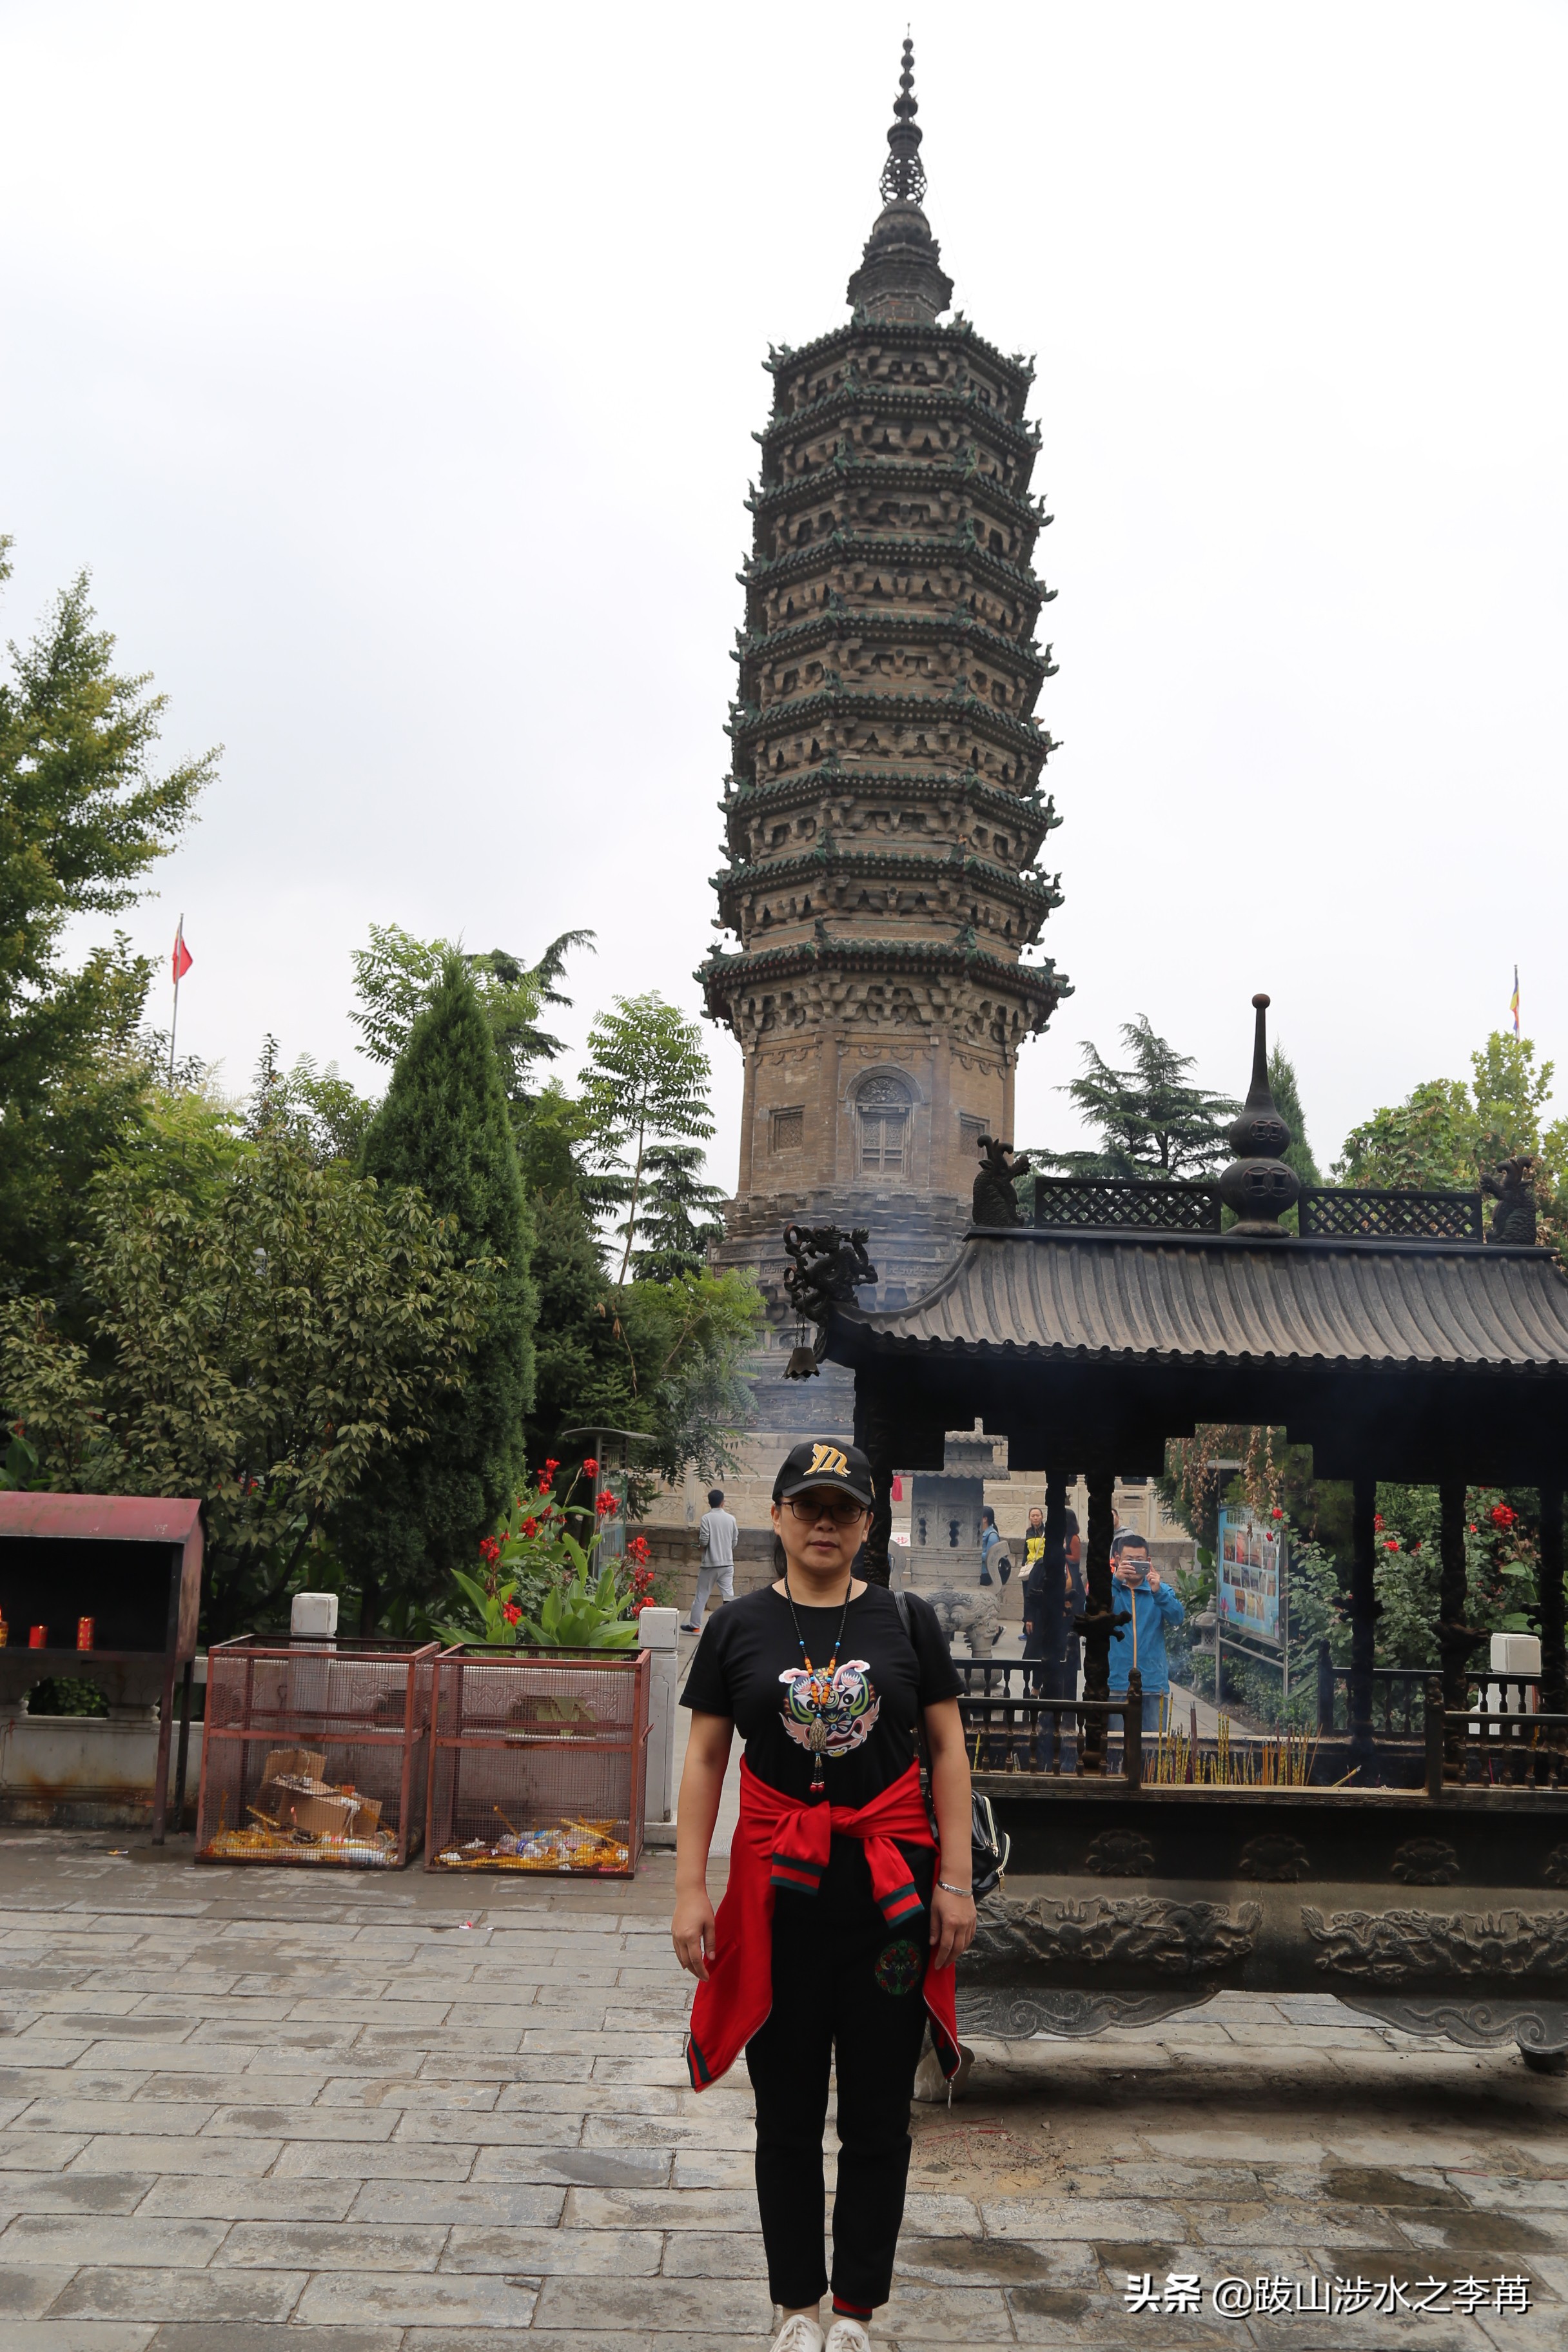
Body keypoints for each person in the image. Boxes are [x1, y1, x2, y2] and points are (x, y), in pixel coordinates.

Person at [673, 1438, 977, 2352]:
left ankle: (856, 2313)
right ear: (777, 1517)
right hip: (780, 1907)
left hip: (889, 1905)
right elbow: (703, 1760)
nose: (824, 1523)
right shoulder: (737, 1629)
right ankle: (795, 2308)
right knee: (790, 2113)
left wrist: (955, 1882)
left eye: (843, 1509)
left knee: (880, 2117)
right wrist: (690, 1887)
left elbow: (949, 1754)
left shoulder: (905, 1622)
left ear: (867, 1526)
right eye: (808, 1506)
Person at [1106, 1529, 1184, 1734]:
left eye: (1139, 1560)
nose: (1133, 1564)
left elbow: (1178, 1617)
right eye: (1128, 1560)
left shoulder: (1160, 1591)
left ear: (1148, 1561)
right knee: (1115, 1747)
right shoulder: (1109, 1590)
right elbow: (1091, 1614)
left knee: (1152, 1749)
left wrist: (1158, 1592)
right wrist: (1115, 1582)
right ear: (1117, 1559)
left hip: (1152, 1685)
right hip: (1116, 1683)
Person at [684, 1486, 739, 1634]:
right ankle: (733, 1626)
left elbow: (704, 1539)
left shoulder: (706, 1518)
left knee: (702, 1595)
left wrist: (701, 1546)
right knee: (729, 1595)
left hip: (710, 1563)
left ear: (709, 1503)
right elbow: (734, 1541)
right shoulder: (731, 1519)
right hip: (728, 1563)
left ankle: (695, 1626)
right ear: (723, 1502)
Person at [977, 1505, 1010, 1586]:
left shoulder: (992, 1536)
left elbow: (990, 1556)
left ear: (985, 1519)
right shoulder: (981, 1532)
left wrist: (975, 1554)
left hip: (986, 1573)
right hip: (979, 1570)